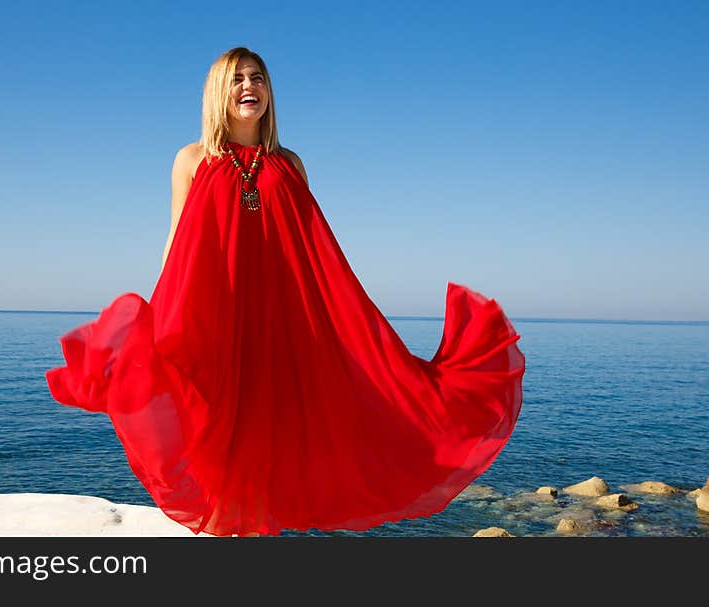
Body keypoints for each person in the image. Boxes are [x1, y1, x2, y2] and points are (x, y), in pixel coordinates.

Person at [46, 47, 526, 538]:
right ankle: (231, 526)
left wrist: (339, 322)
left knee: (282, 424)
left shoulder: (290, 164)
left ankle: (258, 529)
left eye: (256, 77)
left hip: (279, 316)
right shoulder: (192, 159)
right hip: (217, 310)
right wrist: (158, 316)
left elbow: (313, 248)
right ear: (218, 92)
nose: (248, 86)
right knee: (213, 422)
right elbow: (177, 239)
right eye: (236, 80)